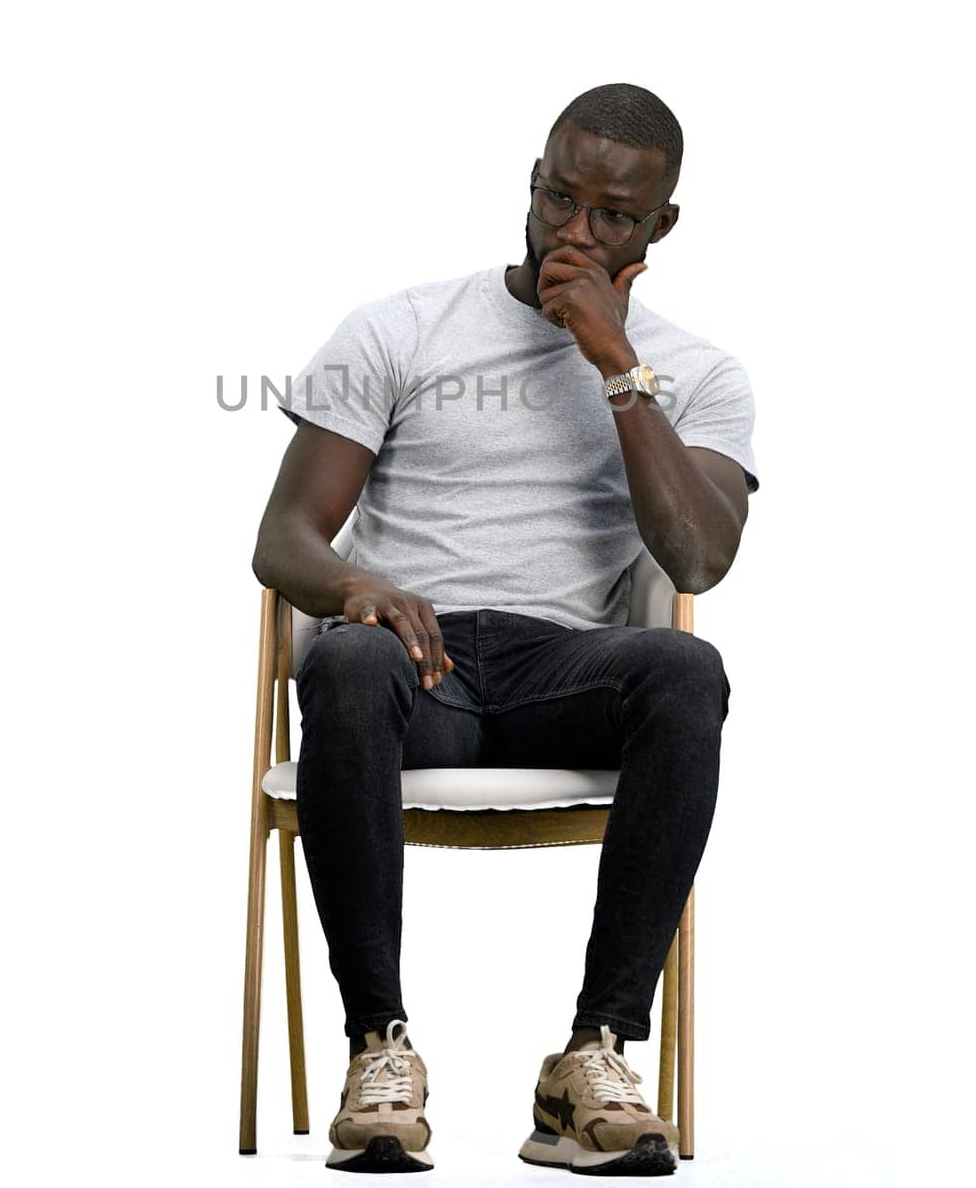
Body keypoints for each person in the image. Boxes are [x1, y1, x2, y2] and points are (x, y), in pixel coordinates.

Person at [252, 82, 759, 1176]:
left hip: (560, 671)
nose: (573, 231)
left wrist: (616, 366)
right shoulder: (397, 327)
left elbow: (697, 559)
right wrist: (356, 591)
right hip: (412, 660)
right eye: (557, 197)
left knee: (686, 669)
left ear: (658, 227)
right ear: (529, 183)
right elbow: (284, 538)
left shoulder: (700, 374)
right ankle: (376, 1049)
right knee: (341, 658)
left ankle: (594, 1057)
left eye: (610, 216)